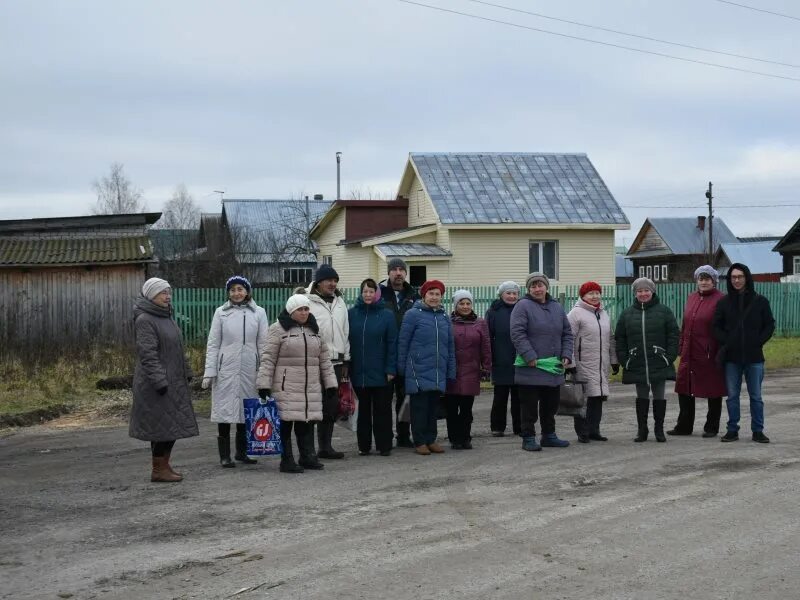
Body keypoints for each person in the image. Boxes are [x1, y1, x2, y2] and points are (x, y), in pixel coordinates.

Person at [256, 294, 338, 473]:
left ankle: (307, 457)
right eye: (300, 309)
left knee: (306, 423)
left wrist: (331, 384)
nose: (304, 312)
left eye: (306, 309)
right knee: (286, 424)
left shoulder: (314, 329)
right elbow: (268, 359)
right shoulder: (277, 330)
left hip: (310, 387)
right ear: (291, 311)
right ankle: (286, 460)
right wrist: (263, 385)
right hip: (286, 386)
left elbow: (324, 359)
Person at [129, 278, 198, 482]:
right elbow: (147, 354)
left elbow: (177, 348)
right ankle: (158, 469)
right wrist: (159, 381)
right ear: (151, 295)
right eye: (162, 293)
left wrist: (187, 371)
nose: (167, 296)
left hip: (174, 380)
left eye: (169, 292)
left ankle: (163, 466)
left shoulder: (167, 317)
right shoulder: (145, 320)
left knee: (169, 426)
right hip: (156, 384)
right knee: (163, 427)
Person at [201, 276, 269, 468]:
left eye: (240, 289)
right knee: (224, 411)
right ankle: (225, 456)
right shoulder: (220, 313)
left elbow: (263, 345)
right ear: (228, 293)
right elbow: (213, 344)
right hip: (226, 370)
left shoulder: (259, 313)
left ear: (247, 291)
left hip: (249, 370)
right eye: (232, 290)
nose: (236, 293)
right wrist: (210, 371)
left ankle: (242, 452)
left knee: (245, 410)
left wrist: (264, 374)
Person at [510, 272, 574, 451]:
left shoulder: (556, 307)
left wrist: (566, 354)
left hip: (553, 368)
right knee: (528, 407)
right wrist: (529, 355)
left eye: (540, 285)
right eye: (533, 286)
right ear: (528, 289)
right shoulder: (522, 306)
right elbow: (517, 333)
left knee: (550, 405)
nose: (537, 289)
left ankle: (549, 435)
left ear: (547, 287)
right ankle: (528, 437)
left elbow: (567, 333)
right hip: (531, 367)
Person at [712, 262, 775, 443]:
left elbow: (769, 324)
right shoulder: (723, 303)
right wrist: (727, 341)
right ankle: (732, 429)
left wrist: (758, 341)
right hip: (732, 358)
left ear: (746, 278)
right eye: (733, 277)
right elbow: (715, 326)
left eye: (740, 276)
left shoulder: (760, 301)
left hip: (754, 357)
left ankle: (758, 430)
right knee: (732, 396)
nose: (737, 280)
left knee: (756, 396)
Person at [615, 277, 679, 443]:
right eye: (639, 291)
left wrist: (668, 357)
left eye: (646, 290)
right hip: (637, 363)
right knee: (641, 396)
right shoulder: (627, 314)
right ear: (635, 293)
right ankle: (642, 430)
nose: (643, 294)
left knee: (659, 396)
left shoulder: (664, 311)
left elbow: (673, 335)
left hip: (659, 362)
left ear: (652, 291)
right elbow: (620, 339)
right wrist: (625, 360)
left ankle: (659, 429)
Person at [397, 279, 456, 456]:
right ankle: (420, 440)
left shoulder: (444, 317)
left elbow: (450, 345)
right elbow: (403, 342)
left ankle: (431, 439)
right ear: (424, 295)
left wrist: (451, 369)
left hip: (438, 369)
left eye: (437, 294)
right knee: (419, 408)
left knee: (433, 408)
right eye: (431, 294)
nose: (434, 297)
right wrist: (401, 368)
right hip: (418, 368)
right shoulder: (413, 315)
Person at [668, 266, 727, 438]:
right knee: (685, 388)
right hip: (689, 351)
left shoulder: (721, 300)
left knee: (713, 389)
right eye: (701, 279)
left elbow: (725, 328)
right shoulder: (691, 298)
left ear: (714, 281)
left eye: (707, 279)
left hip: (710, 352)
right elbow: (685, 324)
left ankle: (711, 427)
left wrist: (721, 350)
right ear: (696, 281)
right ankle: (684, 426)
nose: (704, 282)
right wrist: (681, 346)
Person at [348, 278, 398, 456]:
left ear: (377, 293)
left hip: (382, 372)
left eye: (371, 291)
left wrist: (391, 369)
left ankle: (384, 445)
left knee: (382, 411)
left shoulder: (387, 315)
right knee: (362, 412)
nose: (368, 295)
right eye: (365, 291)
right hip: (359, 372)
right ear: (361, 293)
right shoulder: (352, 314)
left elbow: (393, 344)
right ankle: (364, 446)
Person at [306, 264, 350, 459]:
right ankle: (308, 449)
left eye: (335, 281)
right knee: (313, 405)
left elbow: (345, 332)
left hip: (337, 362)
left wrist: (346, 358)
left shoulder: (340, 303)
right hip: (315, 361)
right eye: (328, 280)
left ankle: (326, 447)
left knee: (331, 406)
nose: (332, 284)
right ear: (318, 283)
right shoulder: (307, 302)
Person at [567, 281, 618, 443]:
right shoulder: (575, 314)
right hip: (582, 363)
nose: (595, 296)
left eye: (597, 293)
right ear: (583, 296)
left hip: (600, 363)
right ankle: (583, 432)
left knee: (597, 397)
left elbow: (610, 338)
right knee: (582, 399)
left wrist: (614, 360)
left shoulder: (603, 313)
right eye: (591, 293)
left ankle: (594, 430)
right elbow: (568, 339)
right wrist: (570, 364)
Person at [379, 257, 421, 448]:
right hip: (385, 356)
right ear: (388, 272)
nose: (398, 273)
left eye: (401, 270)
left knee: (406, 399)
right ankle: (385, 437)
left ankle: (404, 435)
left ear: (406, 273)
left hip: (408, 355)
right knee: (384, 400)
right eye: (394, 269)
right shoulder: (379, 294)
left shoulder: (414, 295)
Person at [445, 289, 491, 449]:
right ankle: (454, 438)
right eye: (461, 303)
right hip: (451, 372)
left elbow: (485, 346)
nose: (465, 306)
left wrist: (486, 367)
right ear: (456, 305)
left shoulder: (480, 323)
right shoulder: (447, 322)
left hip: (471, 371)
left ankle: (465, 437)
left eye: (468, 303)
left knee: (466, 409)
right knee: (451, 409)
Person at [486, 281, 522, 437]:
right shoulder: (493, 311)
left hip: (521, 359)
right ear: (501, 294)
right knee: (500, 397)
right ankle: (497, 427)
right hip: (500, 359)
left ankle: (519, 427)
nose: (512, 296)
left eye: (515, 293)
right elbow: (487, 336)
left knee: (519, 397)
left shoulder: (523, 309)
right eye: (509, 293)